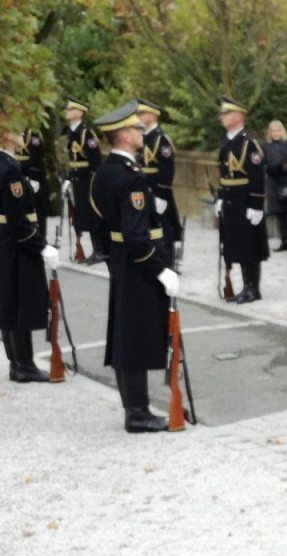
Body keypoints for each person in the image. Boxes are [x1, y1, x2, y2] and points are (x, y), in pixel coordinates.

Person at [90, 100, 181, 432]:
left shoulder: (104, 172)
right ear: (124, 135)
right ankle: (138, 414)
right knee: (136, 335)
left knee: (125, 333)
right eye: (136, 128)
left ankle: (134, 408)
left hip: (120, 261)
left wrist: (111, 256)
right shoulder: (131, 178)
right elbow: (136, 236)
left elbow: (98, 222)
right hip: (139, 264)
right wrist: (160, 269)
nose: (142, 131)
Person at [1, 124, 60, 382]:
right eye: (16, 129)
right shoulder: (10, 169)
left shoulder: (6, 163)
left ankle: (16, 363)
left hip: (5, 241)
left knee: (8, 302)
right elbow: (18, 221)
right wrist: (41, 246)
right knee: (19, 303)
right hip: (17, 244)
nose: (22, 134)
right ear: (5, 134)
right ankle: (24, 364)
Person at [216, 96, 268, 304]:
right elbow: (223, 172)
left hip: (245, 200)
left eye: (226, 113)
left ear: (238, 116)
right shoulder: (227, 141)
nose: (222, 117)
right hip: (230, 200)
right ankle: (245, 285)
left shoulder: (249, 143)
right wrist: (220, 197)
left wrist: (256, 205)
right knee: (236, 243)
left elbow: (257, 176)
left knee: (249, 244)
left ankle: (253, 288)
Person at [136, 99, 183, 250]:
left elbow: (167, 169)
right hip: (144, 187)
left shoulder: (161, 139)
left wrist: (162, 194)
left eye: (142, 113)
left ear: (153, 115)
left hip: (158, 188)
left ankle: (168, 254)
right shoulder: (141, 137)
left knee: (164, 224)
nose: (138, 117)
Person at [63, 97, 104, 264]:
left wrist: (96, 181)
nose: (67, 112)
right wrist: (68, 179)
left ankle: (100, 250)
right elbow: (72, 160)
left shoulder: (86, 134)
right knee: (81, 214)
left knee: (93, 213)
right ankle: (89, 250)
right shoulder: (72, 132)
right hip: (77, 179)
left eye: (70, 109)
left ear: (80, 113)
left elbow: (96, 160)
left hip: (87, 179)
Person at [264, 119, 287, 254]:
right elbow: (264, 164)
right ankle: (283, 240)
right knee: (279, 213)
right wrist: (273, 168)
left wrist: (285, 167)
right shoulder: (265, 146)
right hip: (273, 182)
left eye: (278, 130)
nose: (276, 133)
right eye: (273, 131)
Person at [17, 128, 50, 233]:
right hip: (16, 174)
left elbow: (36, 157)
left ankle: (39, 234)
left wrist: (29, 174)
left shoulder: (33, 134)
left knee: (37, 208)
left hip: (33, 175)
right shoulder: (11, 131)